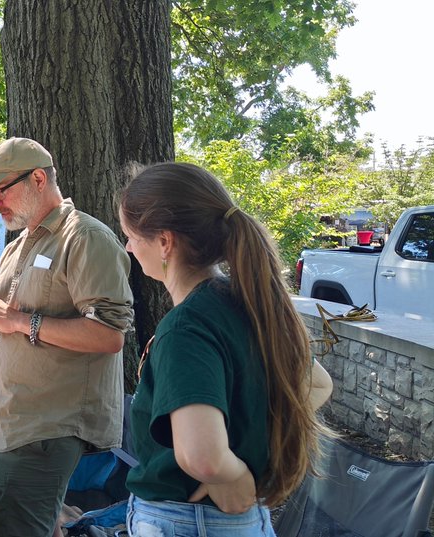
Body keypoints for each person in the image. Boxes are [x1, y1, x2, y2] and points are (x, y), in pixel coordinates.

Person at [0, 138, 134, 537]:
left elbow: (109, 336)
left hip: (47, 428)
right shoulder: (17, 245)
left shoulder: (86, 237)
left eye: (0, 191)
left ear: (38, 178)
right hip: (5, 424)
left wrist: (22, 321)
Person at [118, 162, 333, 535]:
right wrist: (247, 450)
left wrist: (227, 472)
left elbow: (200, 456)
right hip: (239, 521)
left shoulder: (186, 327)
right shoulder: (251, 303)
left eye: (132, 236)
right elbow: (318, 385)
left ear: (165, 242)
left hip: (189, 521)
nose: (129, 247)